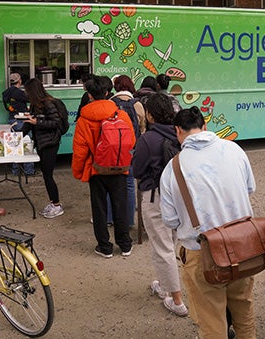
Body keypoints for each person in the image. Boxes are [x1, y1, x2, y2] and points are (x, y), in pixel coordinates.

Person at [160, 107, 257, 338]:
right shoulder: (234, 149)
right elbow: (249, 188)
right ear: (204, 126)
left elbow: (171, 220)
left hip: (201, 253)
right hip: (243, 246)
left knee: (212, 323)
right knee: (244, 312)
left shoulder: (173, 169)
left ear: (178, 131)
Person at [132, 93, 187, 317]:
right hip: (179, 197)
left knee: (162, 247)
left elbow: (137, 169)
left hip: (155, 198)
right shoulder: (180, 134)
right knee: (170, 243)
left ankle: (177, 300)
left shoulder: (148, 139)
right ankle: (165, 286)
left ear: (151, 115)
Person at [72, 76, 134, 258]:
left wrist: (78, 172)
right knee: (120, 206)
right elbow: (131, 141)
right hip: (119, 168)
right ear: (107, 93)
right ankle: (125, 245)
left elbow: (80, 150)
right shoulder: (120, 114)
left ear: (89, 95)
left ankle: (105, 247)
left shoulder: (84, 119)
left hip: (96, 169)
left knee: (99, 209)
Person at [19, 78, 66, 219]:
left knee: (48, 174)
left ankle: (57, 205)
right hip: (41, 143)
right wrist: (14, 137)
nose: (26, 94)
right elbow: (29, 125)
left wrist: (37, 121)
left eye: (27, 91)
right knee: (46, 174)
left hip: (50, 143)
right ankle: (53, 203)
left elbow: (55, 122)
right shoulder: (35, 105)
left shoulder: (48, 103)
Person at [109, 75, 146, 227]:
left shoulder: (111, 103)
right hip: (131, 150)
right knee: (130, 185)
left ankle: (110, 218)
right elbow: (143, 128)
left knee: (111, 184)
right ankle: (129, 221)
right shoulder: (137, 104)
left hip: (114, 150)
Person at [2, 73, 35, 176]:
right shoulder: (19, 93)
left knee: (14, 145)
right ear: (19, 81)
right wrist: (23, 110)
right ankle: (28, 171)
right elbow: (30, 100)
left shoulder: (5, 93)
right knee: (26, 145)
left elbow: (8, 106)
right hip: (22, 121)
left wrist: (14, 110)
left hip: (12, 120)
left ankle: (15, 171)